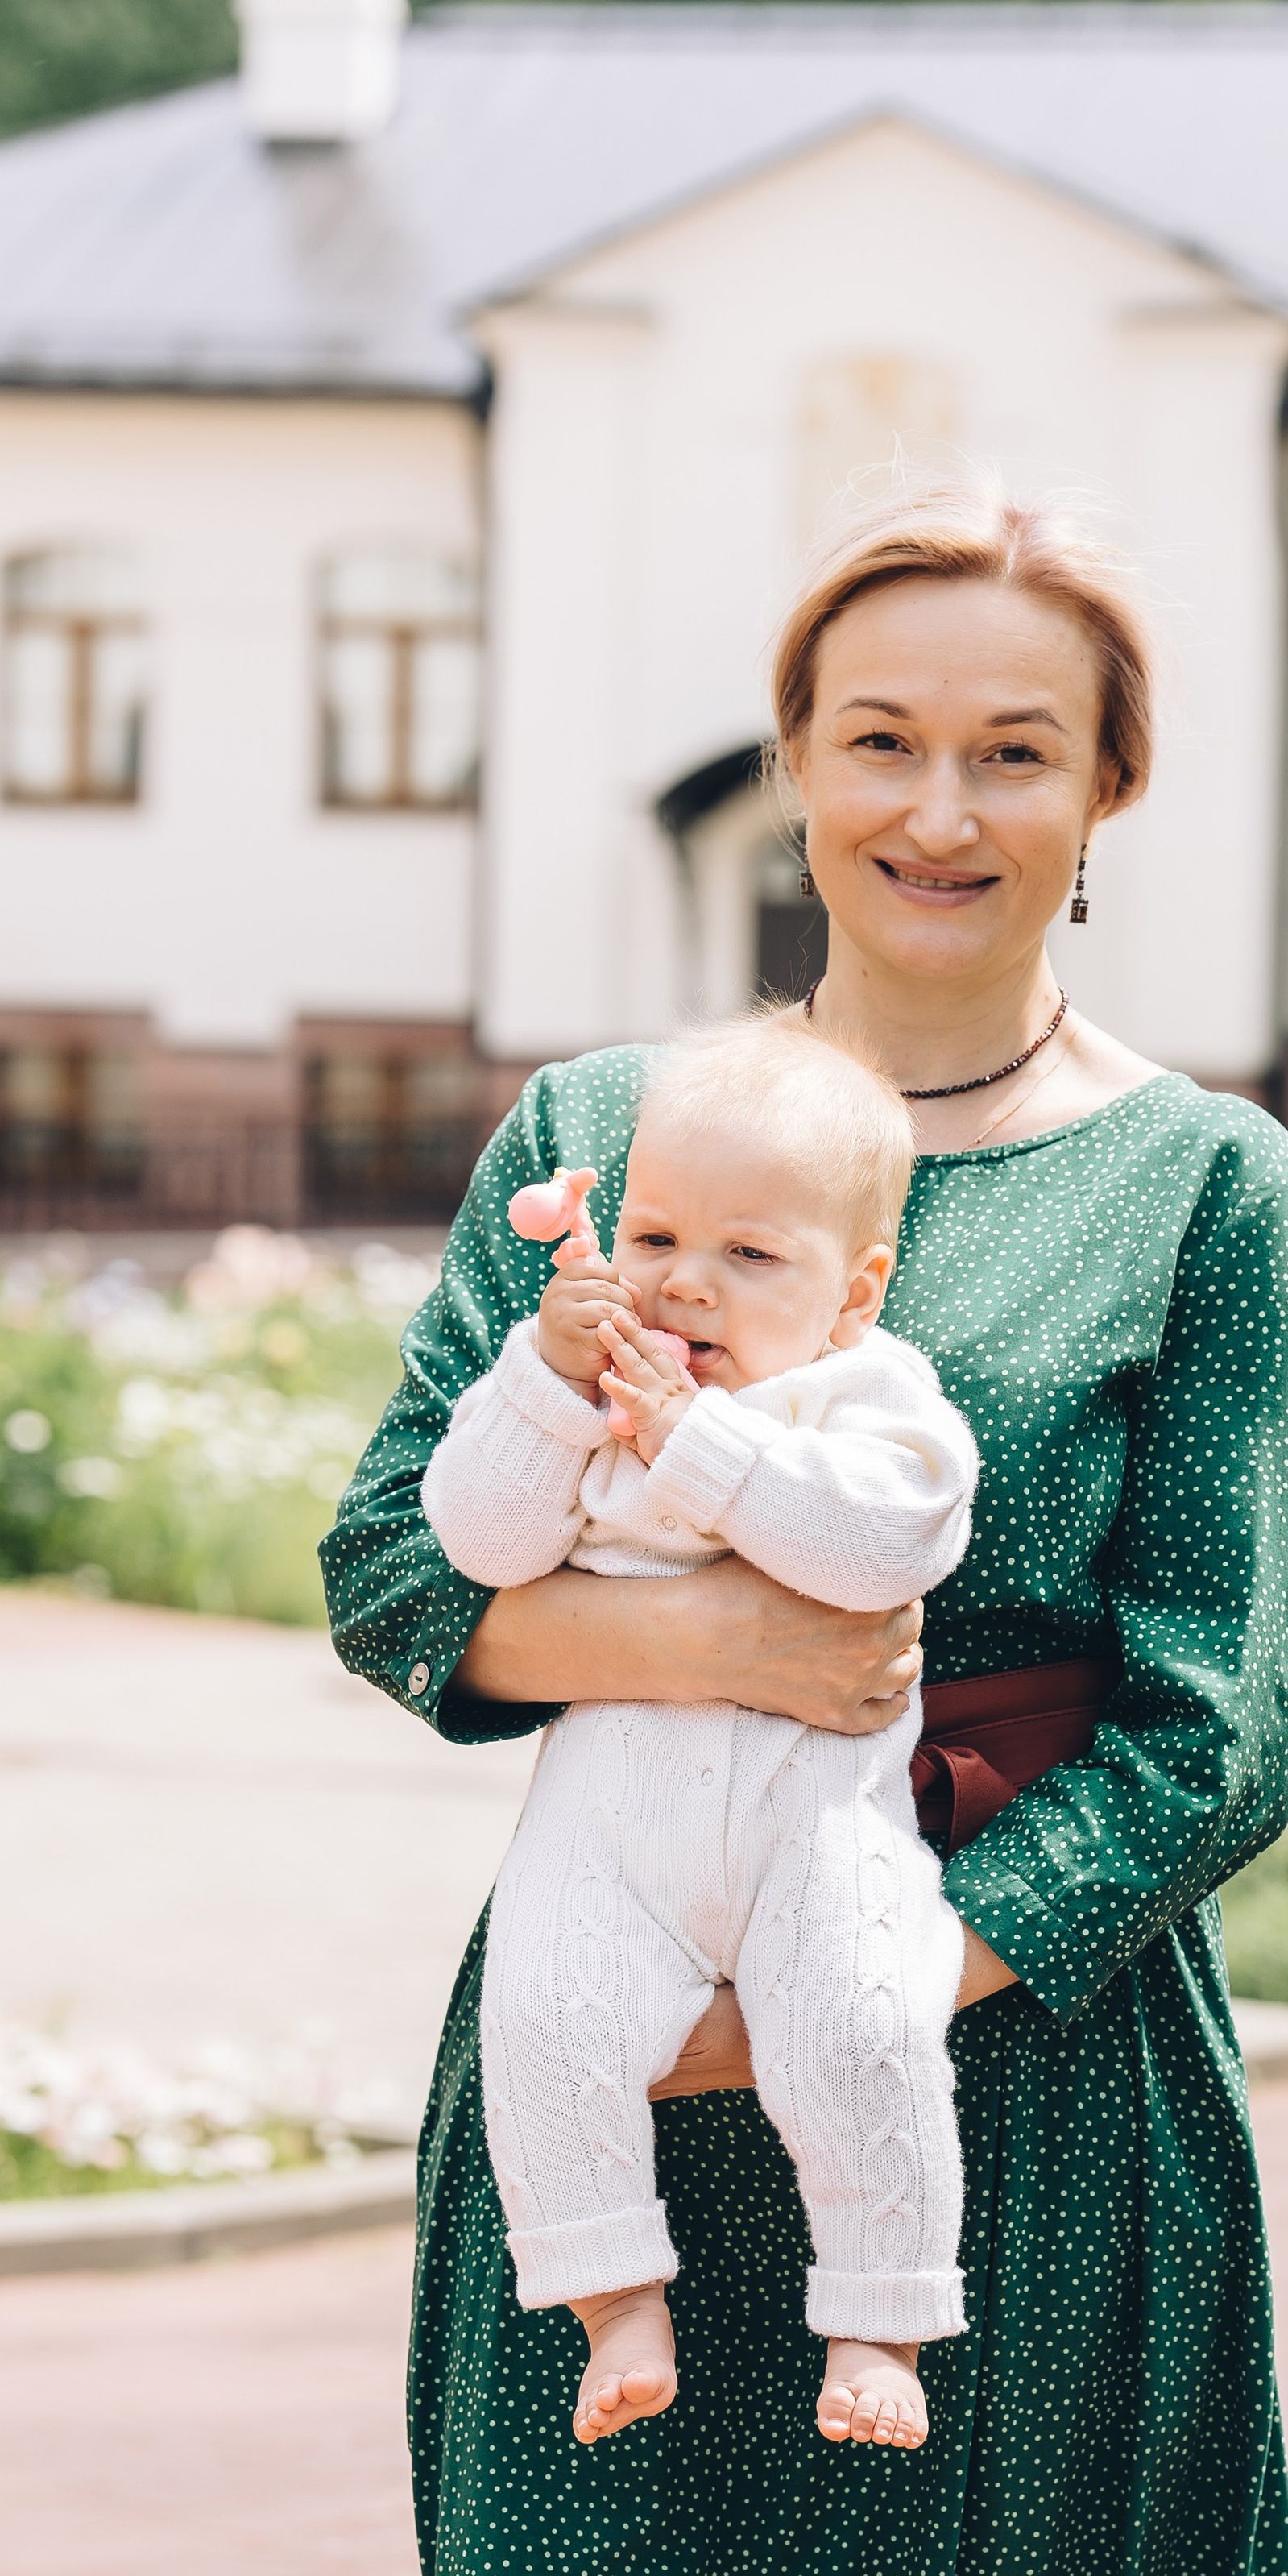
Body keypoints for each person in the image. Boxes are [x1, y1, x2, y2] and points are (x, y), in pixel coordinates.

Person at [323, 480, 1288, 2576]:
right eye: (880, 738)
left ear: (1111, 792)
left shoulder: (1214, 1190)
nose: (941, 808)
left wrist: (836, 2005)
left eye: (1018, 749)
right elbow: (395, 1583)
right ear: (792, 762)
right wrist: (729, 1646)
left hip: (1020, 2121)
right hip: (608, 2103)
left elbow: (1215, 1731)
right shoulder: (589, 1132)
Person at [416, 1019, 980, 2453]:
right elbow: (474, 1539)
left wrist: (698, 1447)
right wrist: (543, 1390)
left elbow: (884, 1547)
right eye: (658, 1233)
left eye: (749, 1255)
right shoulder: (590, 1394)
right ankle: (612, 2295)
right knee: (541, 2018)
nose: (683, 1281)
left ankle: (882, 2311)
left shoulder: (869, 1397)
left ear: (854, 1295)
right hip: (613, 1820)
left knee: (866, 2025)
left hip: (819, 1822)